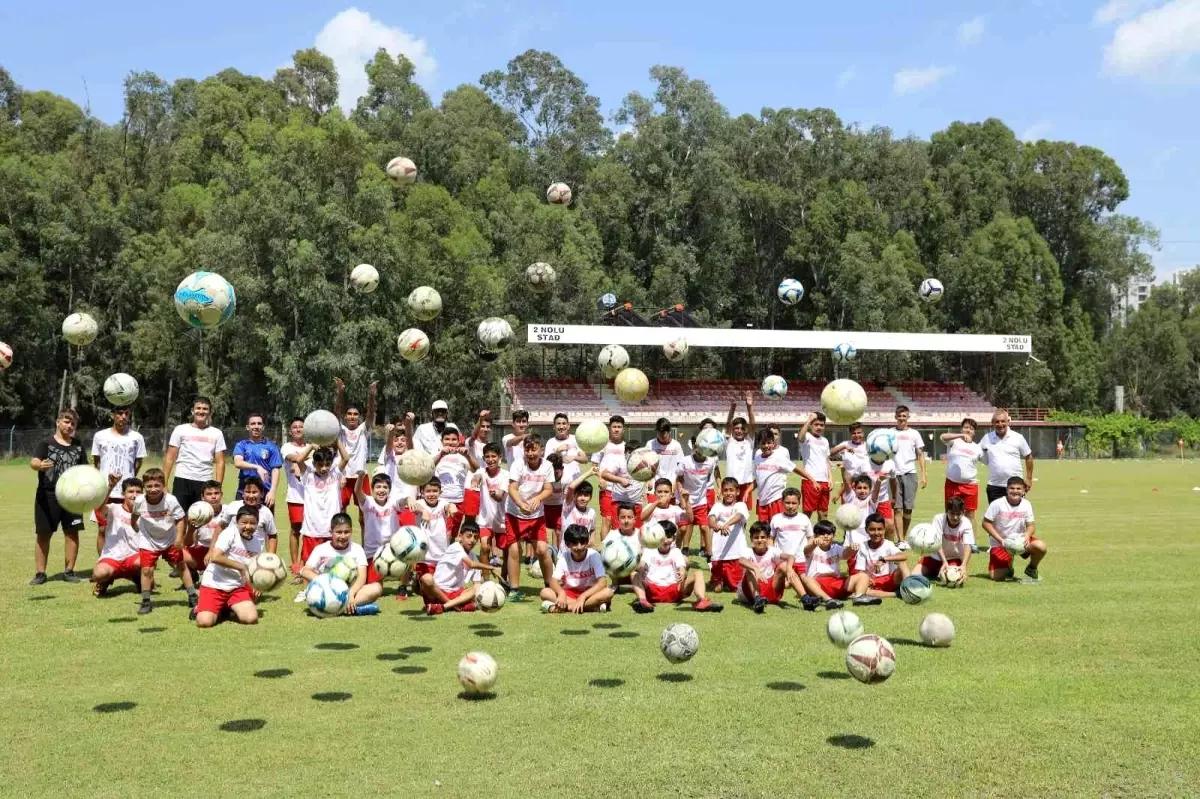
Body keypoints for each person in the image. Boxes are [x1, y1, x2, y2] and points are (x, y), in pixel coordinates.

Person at [30, 408, 88, 585]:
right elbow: (34, 461)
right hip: (48, 495)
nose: (69, 425)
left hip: (72, 496)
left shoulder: (78, 445)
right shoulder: (46, 443)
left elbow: (85, 469)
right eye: (66, 421)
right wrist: (40, 465)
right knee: (44, 534)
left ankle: (69, 571)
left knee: (72, 533)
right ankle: (40, 573)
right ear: (58, 422)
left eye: (73, 423)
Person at [291, 440, 350, 599]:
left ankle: (335, 587)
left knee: (334, 560)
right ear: (314, 464)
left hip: (332, 528)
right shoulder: (308, 474)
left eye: (327, 464)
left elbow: (345, 458)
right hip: (312, 527)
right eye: (320, 464)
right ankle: (306, 590)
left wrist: (337, 442)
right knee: (309, 561)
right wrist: (311, 445)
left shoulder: (335, 473)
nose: (324, 468)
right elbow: (298, 460)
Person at [503, 435, 554, 598]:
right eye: (527, 449)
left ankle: (550, 585)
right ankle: (514, 590)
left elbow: (548, 489)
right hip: (515, 513)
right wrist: (520, 504)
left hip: (537, 516)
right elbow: (512, 488)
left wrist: (538, 499)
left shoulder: (547, 465)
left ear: (541, 450)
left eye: (534, 449)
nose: (530, 453)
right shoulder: (518, 464)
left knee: (542, 549)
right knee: (514, 550)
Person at [194, 505, 263, 628]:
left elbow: (254, 567)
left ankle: (226, 608)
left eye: (253, 523)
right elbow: (215, 557)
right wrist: (241, 567)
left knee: (251, 618)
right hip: (214, 584)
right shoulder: (229, 533)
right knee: (205, 622)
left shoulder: (257, 544)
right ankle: (201, 608)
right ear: (237, 522)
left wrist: (258, 584)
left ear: (257, 524)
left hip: (236, 587)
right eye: (244, 522)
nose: (248, 526)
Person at [132, 468, 188, 615]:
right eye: (149, 486)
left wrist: (179, 538)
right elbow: (134, 515)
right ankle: (145, 601)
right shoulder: (139, 501)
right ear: (144, 486)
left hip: (169, 539)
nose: (153, 489)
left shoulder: (170, 500)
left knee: (181, 566)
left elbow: (181, 519)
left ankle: (193, 595)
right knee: (146, 570)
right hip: (148, 540)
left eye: (157, 485)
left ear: (163, 485)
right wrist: (134, 525)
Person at [630, 521, 721, 612]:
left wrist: (682, 571)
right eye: (662, 537)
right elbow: (643, 563)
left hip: (674, 589)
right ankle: (643, 601)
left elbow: (681, 566)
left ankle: (701, 600)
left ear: (674, 538)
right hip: (651, 589)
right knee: (634, 574)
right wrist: (641, 568)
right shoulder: (650, 551)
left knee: (698, 573)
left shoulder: (676, 552)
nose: (666, 540)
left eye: (669, 537)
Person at [301, 512, 381, 614]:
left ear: (351, 531)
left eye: (346, 532)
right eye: (339, 532)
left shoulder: (357, 549)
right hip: (327, 592)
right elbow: (305, 571)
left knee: (376, 588)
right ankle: (350, 609)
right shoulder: (321, 549)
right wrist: (326, 582)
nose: (343, 536)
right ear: (331, 532)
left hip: (351, 592)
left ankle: (336, 609)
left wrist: (351, 594)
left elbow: (362, 577)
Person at [162, 396, 226, 513]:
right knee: (179, 516)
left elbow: (220, 462)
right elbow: (170, 458)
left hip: (204, 481)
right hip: (182, 479)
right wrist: (164, 484)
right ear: (192, 411)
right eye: (198, 408)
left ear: (210, 412)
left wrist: (217, 487)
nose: (201, 411)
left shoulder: (217, 433)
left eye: (205, 409)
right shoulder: (180, 430)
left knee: (200, 518)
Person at [91, 405, 146, 532]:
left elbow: (138, 463)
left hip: (127, 491)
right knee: (103, 529)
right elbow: (98, 463)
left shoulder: (137, 437)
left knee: (127, 527)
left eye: (126, 414)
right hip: (105, 490)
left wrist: (127, 478)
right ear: (112, 415)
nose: (123, 417)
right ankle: (103, 553)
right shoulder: (100, 436)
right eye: (120, 413)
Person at [421, 522, 497, 615]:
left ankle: (443, 607)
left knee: (478, 587)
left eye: (475, 537)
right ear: (460, 536)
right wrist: (490, 567)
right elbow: (471, 564)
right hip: (437, 592)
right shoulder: (455, 547)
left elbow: (476, 584)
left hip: (455, 594)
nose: (472, 540)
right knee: (426, 578)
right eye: (469, 536)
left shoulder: (473, 557)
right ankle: (455, 606)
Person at [982, 476, 1047, 582]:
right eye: (1012, 488)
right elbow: (986, 523)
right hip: (1000, 543)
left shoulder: (1026, 504)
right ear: (1007, 490)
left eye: (1018, 488)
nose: (1015, 491)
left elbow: (1031, 526)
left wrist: (1027, 535)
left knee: (1041, 547)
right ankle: (1009, 565)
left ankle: (1031, 569)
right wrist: (1001, 541)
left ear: (1023, 490)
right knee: (997, 577)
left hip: (1020, 541)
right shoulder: (997, 504)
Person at [540, 524, 614, 613]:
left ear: (587, 542)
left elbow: (602, 583)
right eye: (575, 543)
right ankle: (591, 607)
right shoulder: (564, 557)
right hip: (569, 594)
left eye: (582, 543)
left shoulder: (594, 555)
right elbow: (553, 581)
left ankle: (567, 608)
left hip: (590, 593)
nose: (579, 547)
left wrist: (583, 597)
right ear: (567, 544)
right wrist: (561, 593)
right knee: (545, 592)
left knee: (608, 592)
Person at [91, 476, 144, 596]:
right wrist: (110, 486)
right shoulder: (113, 509)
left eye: (138, 492)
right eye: (130, 491)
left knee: (147, 562)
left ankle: (137, 578)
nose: (134, 495)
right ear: (123, 494)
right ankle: (105, 580)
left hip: (134, 557)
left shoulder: (146, 513)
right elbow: (99, 507)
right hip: (113, 558)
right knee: (99, 574)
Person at [737, 521, 806, 612]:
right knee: (749, 568)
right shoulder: (747, 551)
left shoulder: (772, 551)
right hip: (749, 592)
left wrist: (789, 569)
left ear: (768, 538)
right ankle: (757, 599)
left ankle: (806, 599)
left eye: (763, 537)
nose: (760, 540)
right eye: (756, 537)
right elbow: (741, 560)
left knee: (784, 565)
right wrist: (755, 568)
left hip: (769, 589)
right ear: (751, 539)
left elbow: (791, 557)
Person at [752, 428, 815, 523]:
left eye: (769, 443)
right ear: (759, 444)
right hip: (762, 500)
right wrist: (747, 491)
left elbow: (796, 469)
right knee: (764, 529)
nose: (766, 446)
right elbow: (758, 479)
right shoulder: (757, 458)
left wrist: (813, 480)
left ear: (773, 444)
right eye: (763, 443)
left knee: (777, 527)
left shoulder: (779, 458)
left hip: (776, 499)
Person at [845, 513, 910, 603]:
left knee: (902, 563)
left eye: (880, 529)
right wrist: (867, 578)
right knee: (861, 590)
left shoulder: (888, 544)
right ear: (866, 530)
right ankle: (897, 594)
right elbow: (860, 571)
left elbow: (904, 556)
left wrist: (883, 559)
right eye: (872, 529)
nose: (876, 533)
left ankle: (910, 589)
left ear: (884, 530)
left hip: (890, 580)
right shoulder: (863, 547)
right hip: (873, 582)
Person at [334, 378, 377, 509]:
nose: (352, 416)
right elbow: (336, 412)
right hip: (343, 475)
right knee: (340, 510)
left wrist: (371, 395)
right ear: (345, 416)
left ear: (359, 417)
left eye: (355, 414)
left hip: (361, 475)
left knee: (364, 513)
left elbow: (371, 412)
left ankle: (365, 531)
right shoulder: (340, 429)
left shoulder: (363, 429)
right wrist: (341, 392)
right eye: (349, 414)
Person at [594, 418, 642, 535]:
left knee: (624, 522)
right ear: (609, 428)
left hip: (624, 493)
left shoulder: (628, 447)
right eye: (614, 427)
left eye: (619, 427)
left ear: (623, 429)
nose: (616, 430)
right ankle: (606, 550)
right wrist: (600, 478)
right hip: (607, 487)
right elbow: (595, 465)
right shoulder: (602, 445)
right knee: (607, 520)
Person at [181, 480, 225, 602]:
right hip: (202, 554)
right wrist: (191, 529)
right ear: (202, 497)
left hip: (221, 553)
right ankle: (193, 572)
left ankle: (212, 575)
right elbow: (189, 543)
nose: (213, 496)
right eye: (209, 494)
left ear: (221, 494)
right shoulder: (196, 511)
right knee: (177, 552)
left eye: (216, 493)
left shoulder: (228, 512)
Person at [980, 410, 1034, 505]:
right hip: (994, 486)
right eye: (997, 421)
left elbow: (1028, 456)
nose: (1000, 424)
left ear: (1008, 421)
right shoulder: (986, 438)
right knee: (996, 517)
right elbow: (975, 451)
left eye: (1003, 421)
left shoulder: (1018, 437)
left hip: (1015, 486)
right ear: (992, 423)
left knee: (1017, 516)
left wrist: (1029, 478)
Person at [915, 497, 975, 583]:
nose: (955, 517)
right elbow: (937, 542)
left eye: (958, 514)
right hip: (935, 557)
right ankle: (936, 571)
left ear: (963, 512)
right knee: (913, 575)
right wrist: (944, 562)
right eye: (952, 513)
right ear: (946, 511)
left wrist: (964, 565)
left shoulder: (966, 523)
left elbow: (968, 545)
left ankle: (938, 572)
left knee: (953, 579)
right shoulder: (938, 519)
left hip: (954, 558)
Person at [467, 442, 508, 563]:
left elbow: (500, 497)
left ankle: (505, 579)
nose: (490, 460)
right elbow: (477, 475)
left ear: (500, 457)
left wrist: (495, 495)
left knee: (507, 552)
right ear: (484, 458)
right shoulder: (482, 472)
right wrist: (476, 479)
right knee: (485, 547)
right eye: (487, 457)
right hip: (485, 520)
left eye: (493, 456)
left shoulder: (506, 475)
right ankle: (485, 580)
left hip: (502, 520)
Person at [675, 443, 719, 558]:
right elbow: (679, 478)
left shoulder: (710, 462)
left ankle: (709, 555)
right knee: (683, 528)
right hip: (685, 500)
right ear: (694, 448)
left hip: (701, 501)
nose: (700, 452)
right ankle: (677, 552)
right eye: (698, 449)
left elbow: (708, 477)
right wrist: (681, 490)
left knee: (704, 527)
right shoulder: (685, 461)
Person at [231, 412, 283, 507]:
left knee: (264, 521)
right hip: (244, 491)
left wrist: (272, 491)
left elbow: (275, 470)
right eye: (253, 424)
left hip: (265, 492)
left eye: (259, 424)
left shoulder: (271, 446)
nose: (256, 426)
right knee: (242, 521)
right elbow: (238, 462)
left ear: (263, 427)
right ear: (247, 427)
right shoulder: (242, 445)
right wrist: (257, 467)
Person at [890, 405, 926, 541]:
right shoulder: (890, 433)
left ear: (908, 417)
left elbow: (920, 454)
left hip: (910, 473)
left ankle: (903, 538)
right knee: (897, 508)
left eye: (904, 416)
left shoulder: (914, 434)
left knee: (908, 509)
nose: (901, 418)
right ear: (895, 417)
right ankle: (900, 540)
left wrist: (923, 475)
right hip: (894, 475)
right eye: (899, 416)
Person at [708, 477, 750, 593]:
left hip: (735, 555)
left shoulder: (741, 505)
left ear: (737, 492)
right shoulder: (717, 506)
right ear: (721, 491)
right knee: (717, 589)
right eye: (725, 490)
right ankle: (718, 577)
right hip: (719, 555)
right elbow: (711, 520)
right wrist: (716, 526)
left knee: (736, 589)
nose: (728, 493)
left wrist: (726, 524)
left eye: (731, 490)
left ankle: (731, 579)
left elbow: (739, 516)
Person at [434, 424, 476, 537]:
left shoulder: (462, 456)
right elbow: (428, 467)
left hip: (459, 501)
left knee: (453, 533)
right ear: (441, 441)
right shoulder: (437, 454)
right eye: (447, 439)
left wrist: (468, 456)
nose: (450, 442)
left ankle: (449, 553)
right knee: (441, 532)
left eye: (453, 439)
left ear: (458, 441)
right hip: (441, 500)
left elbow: (475, 468)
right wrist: (441, 454)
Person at [940, 418, 984, 525]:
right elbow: (942, 437)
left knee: (970, 515)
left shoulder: (977, 448)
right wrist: (959, 436)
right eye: (966, 427)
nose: (968, 430)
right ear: (961, 429)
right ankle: (950, 539)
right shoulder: (953, 442)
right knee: (950, 512)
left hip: (970, 485)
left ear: (974, 432)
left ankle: (971, 541)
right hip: (952, 484)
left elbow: (986, 459)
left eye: (971, 429)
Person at [414, 478, 455, 589]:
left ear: (440, 492)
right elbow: (413, 504)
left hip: (441, 552)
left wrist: (451, 506)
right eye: (428, 491)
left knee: (442, 585)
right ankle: (418, 580)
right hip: (424, 555)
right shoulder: (420, 503)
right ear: (422, 493)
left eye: (434, 491)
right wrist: (424, 511)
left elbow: (448, 506)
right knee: (427, 584)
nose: (431, 494)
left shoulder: (442, 503)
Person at [798, 520, 849, 609]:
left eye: (829, 534)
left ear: (833, 536)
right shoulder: (812, 548)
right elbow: (806, 551)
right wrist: (813, 544)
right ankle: (829, 600)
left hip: (834, 583)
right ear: (815, 536)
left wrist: (853, 549)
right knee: (806, 579)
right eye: (822, 533)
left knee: (861, 577)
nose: (825, 536)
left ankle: (860, 597)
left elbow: (846, 555)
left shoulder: (836, 548)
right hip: (815, 584)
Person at [280, 417, 307, 574]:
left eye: (301, 427)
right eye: (295, 427)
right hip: (296, 495)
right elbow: (294, 458)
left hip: (313, 496)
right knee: (296, 530)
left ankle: (306, 562)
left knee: (311, 531)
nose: (298, 429)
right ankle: (295, 564)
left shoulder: (312, 447)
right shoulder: (286, 447)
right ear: (290, 431)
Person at [543, 413, 589, 505]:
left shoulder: (575, 439)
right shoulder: (550, 442)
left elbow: (585, 459)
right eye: (558, 424)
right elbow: (546, 464)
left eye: (564, 423)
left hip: (574, 485)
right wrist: (557, 451)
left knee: (573, 514)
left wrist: (574, 457)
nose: (561, 426)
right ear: (554, 427)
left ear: (568, 426)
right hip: (557, 487)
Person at [356, 473, 402, 563]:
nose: (381, 490)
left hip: (391, 549)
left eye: (385, 487)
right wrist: (360, 477)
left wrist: (409, 499)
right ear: (372, 489)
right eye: (378, 487)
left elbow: (403, 501)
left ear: (390, 490)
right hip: (372, 551)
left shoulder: (393, 502)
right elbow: (358, 491)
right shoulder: (368, 502)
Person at [769, 486, 813, 579]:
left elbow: (810, 538)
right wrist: (773, 554)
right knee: (784, 584)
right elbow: (770, 538)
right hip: (782, 560)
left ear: (799, 504)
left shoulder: (804, 518)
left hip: (800, 559)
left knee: (803, 580)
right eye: (787, 503)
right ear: (782, 502)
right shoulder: (776, 518)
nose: (790, 506)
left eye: (794, 503)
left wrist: (806, 552)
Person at [797, 412, 833, 521]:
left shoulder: (825, 441)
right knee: (807, 512)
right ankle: (804, 537)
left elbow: (826, 460)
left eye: (821, 425)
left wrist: (830, 478)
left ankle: (821, 537)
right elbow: (800, 437)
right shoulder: (807, 437)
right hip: (810, 480)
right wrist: (808, 420)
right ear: (811, 426)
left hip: (824, 481)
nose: (819, 427)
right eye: (816, 424)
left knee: (824, 513)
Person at [724, 393, 757, 506]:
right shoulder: (729, 441)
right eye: (736, 428)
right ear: (733, 429)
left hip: (746, 483)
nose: (739, 430)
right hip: (730, 484)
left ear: (745, 430)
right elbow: (728, 424)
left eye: (742, 428)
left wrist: (749, 406)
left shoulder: (749, 441)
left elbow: (753, 424)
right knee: (730, 512)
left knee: (744, 515)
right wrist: (732, 407)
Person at [648, 418, 684, 503]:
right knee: (654, 513)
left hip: (671, 486)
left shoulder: (676, 445)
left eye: (663, 432)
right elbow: (646, 464)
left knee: (669, 513)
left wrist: (676, 483)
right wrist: (648, 480)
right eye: (659, 432)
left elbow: (680, 467)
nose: (661, 435)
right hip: (654, 485)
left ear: (669, 432)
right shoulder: (650, 444)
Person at [830, 423, 869, 497]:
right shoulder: (846, 444)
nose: (856, 435)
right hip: (847, 485)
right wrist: (844, 447)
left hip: (864, 485)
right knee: (848, 508)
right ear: (850, 434)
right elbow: (830, 453)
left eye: (859, 433)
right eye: (854, 433)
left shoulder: (869, 446)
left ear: (863, 433)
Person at [560, 481, 597, 546]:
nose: (583, 498)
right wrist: (590, 473)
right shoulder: (568, 508)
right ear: (574, 495)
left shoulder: (592, 512)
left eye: (586, 495)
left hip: (583, 550)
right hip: (566, 550)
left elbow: (592, 529)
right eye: (580, 495)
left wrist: (592, 540)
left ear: (590, 497)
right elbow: (571, 487)